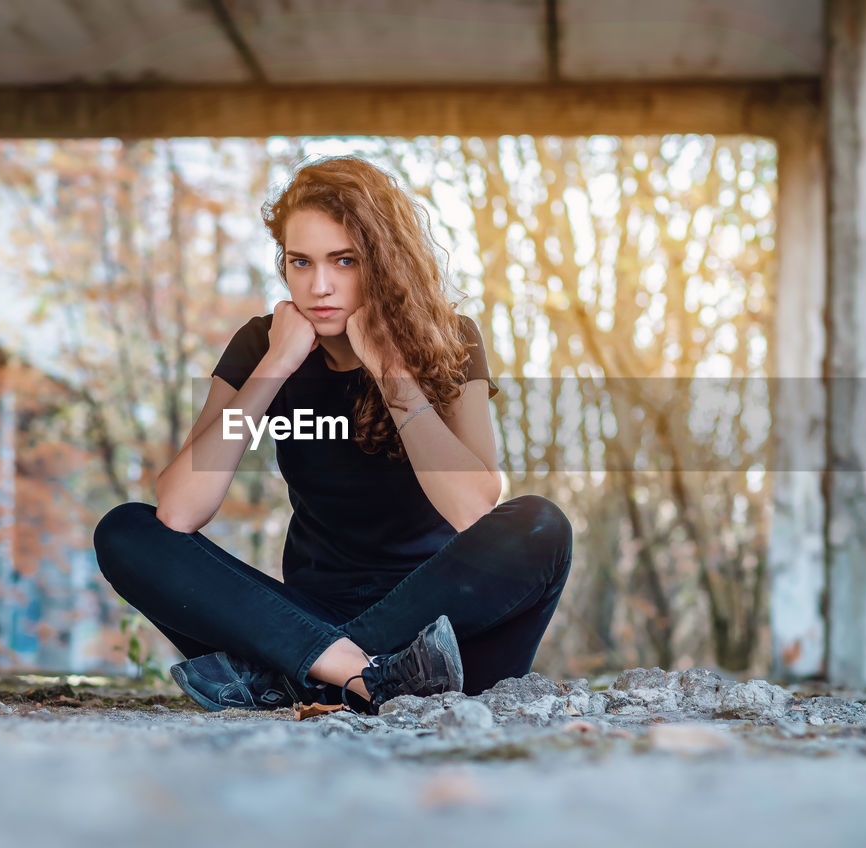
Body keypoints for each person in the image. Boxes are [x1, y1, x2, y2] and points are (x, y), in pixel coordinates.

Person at [92, 155, 572, 714]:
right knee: (126, 530)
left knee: (542, 525)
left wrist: (392, 371)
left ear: (382, 262)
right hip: (298, 618)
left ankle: (306, 679)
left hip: (440, 635)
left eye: (343, 261)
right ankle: (361, 677)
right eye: (301, 262)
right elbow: (178, 510)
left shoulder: (451, 339)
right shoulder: (262, 345)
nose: (319, 286)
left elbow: (473, 510)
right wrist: (276, 364)